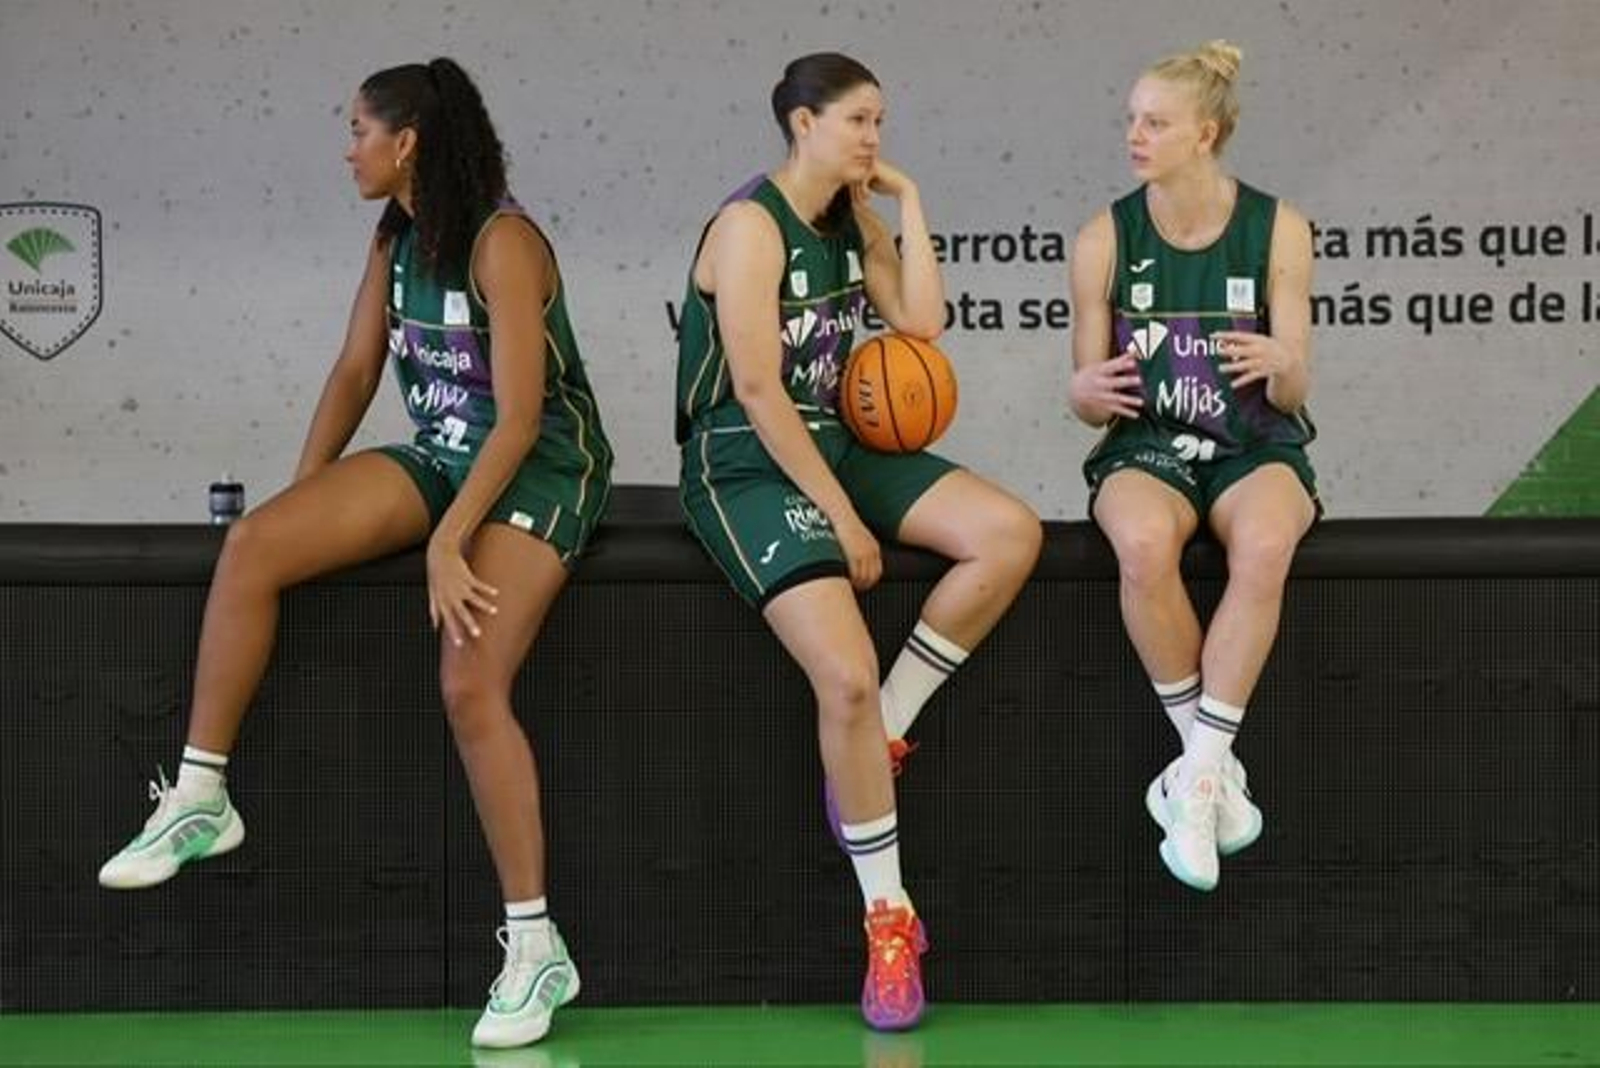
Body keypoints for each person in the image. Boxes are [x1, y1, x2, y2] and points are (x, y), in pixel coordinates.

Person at [97, 58, 613, 1048]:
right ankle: (201, 795)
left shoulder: (502, 242)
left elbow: (518, 420)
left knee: (467, 682)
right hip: (441, 455)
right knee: (253, 545)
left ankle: (536, 947)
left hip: (539, 469)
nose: (348, 150)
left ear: (405, 142)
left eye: (357, 131)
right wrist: (306, 500)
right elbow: (354, 368)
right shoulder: (394, 238)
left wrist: (450, 540)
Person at [675, 52, 1041, 1029]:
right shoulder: (749, 228)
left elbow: (922, 322)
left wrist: (908, 202)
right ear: (802, 123)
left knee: (1006, 534)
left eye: (881, 122)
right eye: (857, 122)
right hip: (748, 460)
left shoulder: (853, 219)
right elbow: (755, 391)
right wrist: (839, 514)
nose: (873, 139)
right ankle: (889, 918)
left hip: (838, 440)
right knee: (836, 672)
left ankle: (890, 721)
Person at [1067, 40, 1318, 893]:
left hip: (1252, 440)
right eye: (1131, 120)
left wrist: (1279, 361)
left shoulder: (1278, 226)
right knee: (1140, 543)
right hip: (1148, 443)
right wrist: (1086, 388)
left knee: (1270, 542)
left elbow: (1294, 386)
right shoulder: (1104, 235)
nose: (1135, 135)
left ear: (1205, 133)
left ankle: (1197, 773)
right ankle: (1210, 775)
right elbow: (1085, 391)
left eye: (1156, 122)